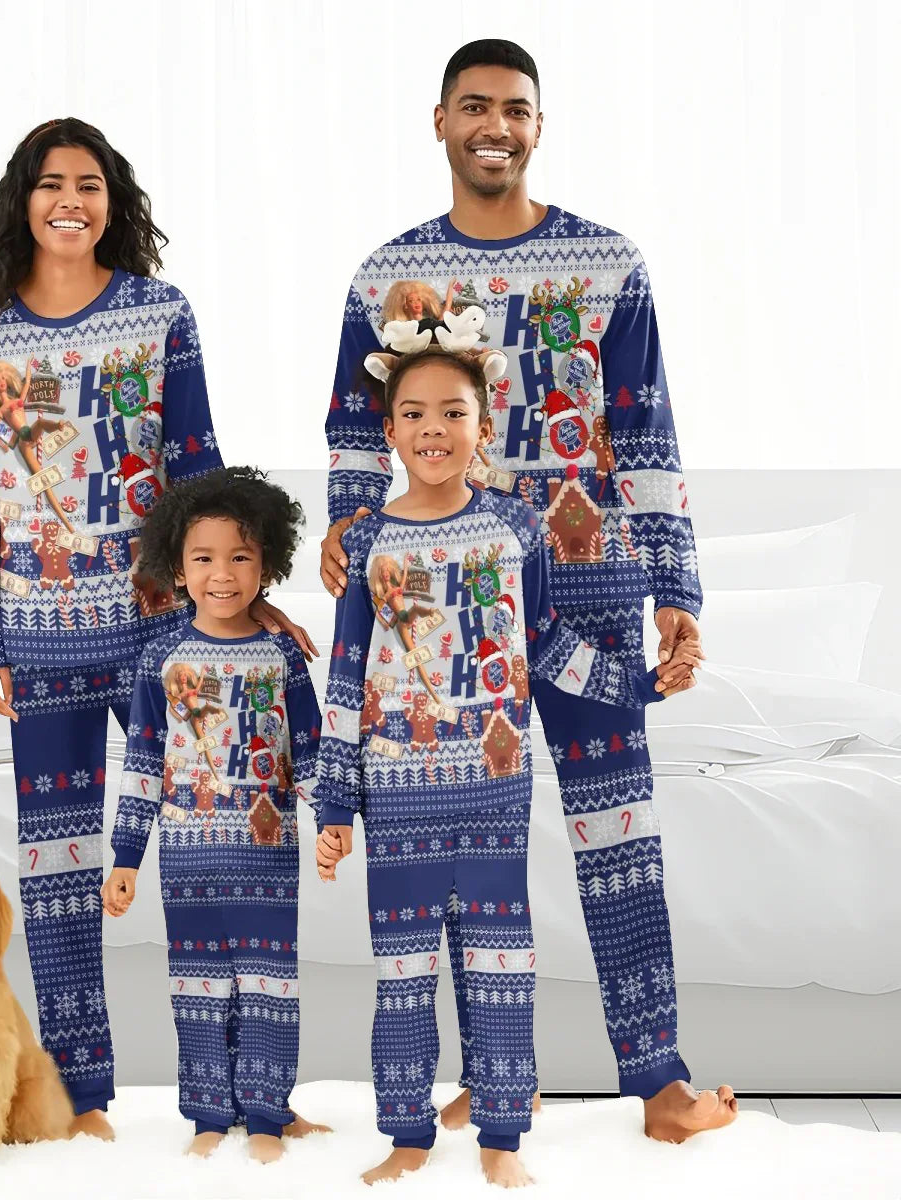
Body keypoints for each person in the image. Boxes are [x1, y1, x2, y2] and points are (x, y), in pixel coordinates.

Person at [321, 39, 738, 1146]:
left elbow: (645, 429)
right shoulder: (385, 275)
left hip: (593, 593)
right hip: (451, 618)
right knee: (471, 855)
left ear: (538, 126)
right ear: (441, 122)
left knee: (619, 840)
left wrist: (675, 587)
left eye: (514, 108)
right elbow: (356, 429)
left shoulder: (610, 263)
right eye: (474, 106)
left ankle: (660, 1084)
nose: (494, 126)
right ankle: (497, 1078)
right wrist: (347, 526)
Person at [0, 118, 314, 1138]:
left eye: (90, 184)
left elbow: (198, 463)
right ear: (23, 200)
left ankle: (249, 1095)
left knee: (214, 844)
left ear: (114, 202)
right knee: (57, 873)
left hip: (164, 632)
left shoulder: (159, 313)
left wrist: (244, 593)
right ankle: (82, 1098)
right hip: (38, 637)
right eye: (52, 183)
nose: (71, 200)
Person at [315, 348, 680, 1187]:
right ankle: (407, 1135)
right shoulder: (365, 541)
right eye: (414, 414)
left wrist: (638, 685)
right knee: (401, 971)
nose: (433, 430)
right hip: (397, 788)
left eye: (453, 412)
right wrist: (334, 805)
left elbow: (544, 643)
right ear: (389, 430)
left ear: (483, 428)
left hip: (495, 786)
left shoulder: (518, 526)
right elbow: (345, 677)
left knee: (500, 960)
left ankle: (502, 1137)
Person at [101, 467, 328, 1162]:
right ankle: (207, 1114)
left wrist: (337, 818)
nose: (222, 575)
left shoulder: (282, 653)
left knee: (268, 985)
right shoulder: (160, 658)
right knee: (197, 987)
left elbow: (311, 749)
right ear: (178, 567)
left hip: (267, 856)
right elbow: (142, 765)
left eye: (241, 557)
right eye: (203, 558)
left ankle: (266, 1114)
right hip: (188, 858)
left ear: (268, 566)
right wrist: (126, 860)